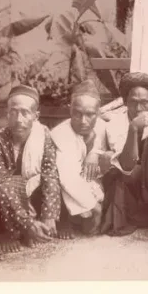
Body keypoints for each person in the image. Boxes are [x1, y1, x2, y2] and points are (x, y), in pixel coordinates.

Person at [0, 85, 62, 253]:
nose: (19, 119)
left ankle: (41, 225)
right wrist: (27, 223)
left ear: (36, 116)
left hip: (31, 196)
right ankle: (6, 232)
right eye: (13, 112)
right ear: (7, 114)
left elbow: (49, 173)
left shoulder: (44, 136)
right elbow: (1, 181)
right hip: (3, 201)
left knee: (51, 177)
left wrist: (49, 215)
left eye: (25, 112)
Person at [100, 72, 148, 236]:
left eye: (144, 103)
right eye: (133, 102)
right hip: (131, 181)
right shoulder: (115, 123)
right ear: (124, 102)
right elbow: (126, 167)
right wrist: (133, 129)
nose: (138, 109)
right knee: (113, 161)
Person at [50, 79, 107, 237]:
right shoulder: (60, 134)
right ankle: (67, 219)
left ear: (98, 112)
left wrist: (94, 152)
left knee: (109, 157)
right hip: (66, 187)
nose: (83, 121)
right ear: (70, 111)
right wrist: (93, 206)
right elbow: (67, 178)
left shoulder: (102, 126)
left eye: (89, 115)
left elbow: (102, 142)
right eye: (77, 113)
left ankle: (89, 214)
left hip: (88, 182)